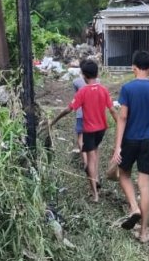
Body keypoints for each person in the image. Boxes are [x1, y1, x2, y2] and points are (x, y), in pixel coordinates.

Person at [111, 50, 149, 243]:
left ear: (133, 67)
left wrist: (117, 147)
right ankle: (144, 233)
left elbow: (123, 117)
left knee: (124, 175)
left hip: (129, 140)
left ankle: (134, 208)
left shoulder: (127, 89)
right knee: (144, 185)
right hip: (148, 140)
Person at [51, 59, 119, 202]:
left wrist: (54, 120)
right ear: (97, 73)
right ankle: (97, 178)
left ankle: (94, 193)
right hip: (102, 130)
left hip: (89, 130)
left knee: (90, 161)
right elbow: (112, 110)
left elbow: (68, 109)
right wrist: (121, 124)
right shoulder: (103, 90)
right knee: (95, 151)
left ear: (83, 75)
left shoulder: (83, 91)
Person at [72, 71, 88, 169]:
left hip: (80, 114)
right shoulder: (98, 81)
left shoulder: (76, 81)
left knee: (81, 138)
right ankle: (92, 162)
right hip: (93, 115)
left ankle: (85, 162)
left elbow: (76, 96)